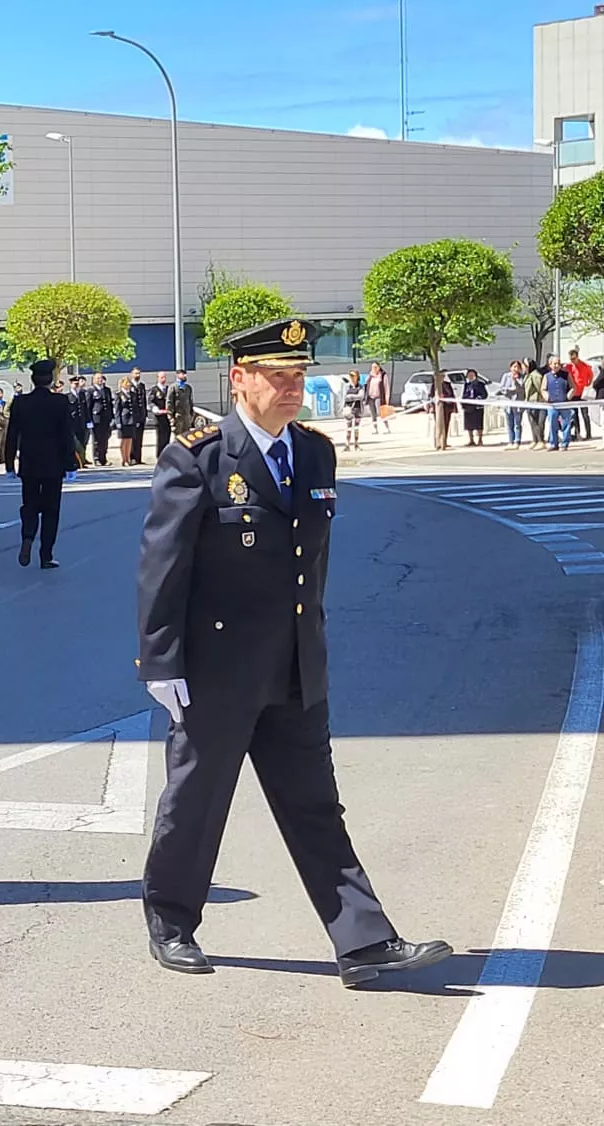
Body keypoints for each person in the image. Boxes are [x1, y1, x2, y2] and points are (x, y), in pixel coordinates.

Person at [137, 317, 450, 986]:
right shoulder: (197, 459)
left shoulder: (313, 453)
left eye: (299, 375)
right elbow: (163, 569)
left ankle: (364, 943)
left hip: (295, 666)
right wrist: (160, 662)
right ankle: (171, 921)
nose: (290, 388)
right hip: (217, 671)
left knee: (314, 804)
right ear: (241, 378)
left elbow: (313, 565)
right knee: (196, 801)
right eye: (276, 376)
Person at [6, 359, 79, 570]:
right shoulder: (60, 402)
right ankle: (46, 554)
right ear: (51, 381)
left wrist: (10, 463)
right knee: (51, 510)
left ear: (33, 380)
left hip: (29, 463)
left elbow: (12, 435)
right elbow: (66, 435)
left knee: (29, 504)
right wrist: (70, 464)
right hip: (53, 464)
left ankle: (28, 536)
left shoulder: (21, 402)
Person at [496, 361, 524, 448]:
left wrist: (515, 381)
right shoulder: (506, 376)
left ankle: (517, 441)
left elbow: (521, 389)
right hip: (508, 402)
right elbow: (502, 388)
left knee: (517, 423)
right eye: (514, 367)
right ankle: (510, 441)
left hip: (518, 403)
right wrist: (510, 390)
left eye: (517, 367)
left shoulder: (521, 377)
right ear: (510, 367)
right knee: (509, 423)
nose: (515, 369)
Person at [89, 373, 115, 466]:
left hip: (106, 418)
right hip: (96, 418)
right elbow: (89, 406)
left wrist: (112, 417)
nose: (100, 380)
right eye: (98, 378)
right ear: (94, 380)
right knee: (97, 439)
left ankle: (103, 458)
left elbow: (110, 405)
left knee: (105, 439)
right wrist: (89, 420)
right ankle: (97, 458)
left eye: (101, 378)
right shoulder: (91, 391)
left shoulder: (107, 390)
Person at [569, 347, 594, 441]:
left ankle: (588, 433)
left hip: (582, 393)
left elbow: (591, 375)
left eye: (574, 359)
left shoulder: (584, 366)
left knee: (585, 414)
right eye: (571, 359)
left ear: (577, 357)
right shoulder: (569, 367)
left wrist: (588, 384)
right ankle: (577, 433)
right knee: (574, 415)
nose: (572, 361)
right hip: (574, 394)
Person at [166, 372, 196, 450]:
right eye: (183, 374)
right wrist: (171, 417)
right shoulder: (173, 387)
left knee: (187, 437)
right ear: (178, 375)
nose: (185, 376)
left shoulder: (188, 388)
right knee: (178, 438)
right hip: (177, 417)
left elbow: (190, 402)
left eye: (185, 374)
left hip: (187, 417)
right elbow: (169, 403)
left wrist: (191, 415)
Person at [548, 362, 574, 451]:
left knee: (566, 423)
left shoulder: (566, 375)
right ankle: (553, 443)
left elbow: (573, 387)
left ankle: (565, 443)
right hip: (552, 404)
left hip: (564, 403)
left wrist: (569, 396)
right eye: (554, 364)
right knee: (552, 423)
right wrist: (547, 397)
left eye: (557, 364)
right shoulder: (547, 376)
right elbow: (543, 388)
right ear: (550, 365)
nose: (556, 366)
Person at [66, 375, 91, 468]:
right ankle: (76, 462)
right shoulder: (68, 396)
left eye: (77, 384)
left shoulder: (81, 395)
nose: (76, 385)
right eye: (74, 384)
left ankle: (82, 461)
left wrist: (88, 421)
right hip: (73, 423)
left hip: (82, 422)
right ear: (71, 384)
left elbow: (85, 409)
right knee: (75, 444)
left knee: (83, 442)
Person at [115, 376, 140, 467]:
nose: (128, 384)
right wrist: (118, 422)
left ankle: (128, 458)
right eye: (126, 383)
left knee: (129, 440)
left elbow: (135, 407)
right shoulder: (119, 394)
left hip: (131, 420)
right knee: (123, 441)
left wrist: (136, 419)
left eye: (129, 383)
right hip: (123, 420)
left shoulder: (132, 394)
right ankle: (123, 459)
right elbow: (117, 409)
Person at [127, 369, 151, 464]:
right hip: (134, 416)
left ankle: (138, 457)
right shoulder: (130, 385)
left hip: (141, 416)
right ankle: (132, 457)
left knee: (140, 438)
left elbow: (143, 401)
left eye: (139, 373)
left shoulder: (142, 386)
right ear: (132, 374)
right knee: (133, 438)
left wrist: (145, 415)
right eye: (136, 373)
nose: (138, 375)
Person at [461, 368, 488, 447]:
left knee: (478, 423)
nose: (470, 376)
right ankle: (471, 440)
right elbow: (464, 394)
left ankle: (480, 439)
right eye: (469, 375)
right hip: (468, 407)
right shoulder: (466, 385)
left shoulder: (480, 384)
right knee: (469, 424)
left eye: (472, 375)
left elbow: (484, 394)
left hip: (477, 407)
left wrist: (478, 399)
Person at [525, 360, 549, 449]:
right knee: (532, 422)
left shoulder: (535, 375)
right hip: (529, 402)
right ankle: (534, 440)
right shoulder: (527, 375)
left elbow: (540, 388)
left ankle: (540, 440)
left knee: (539, 422)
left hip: (537, 401)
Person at [341, 370, 365, 450]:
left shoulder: (360, 387)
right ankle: (347, 444)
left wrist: (351, 396)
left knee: (356, 427)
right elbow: (344, 397)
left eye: (353, 376)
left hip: (357, 408)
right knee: (348, 427)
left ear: (357, 377)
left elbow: (361, 396)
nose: (352, 378)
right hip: (348, 409)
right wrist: (354, 396)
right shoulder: (347, 386)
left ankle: (356, 444)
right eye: (351, 376)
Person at [432, 370, 455, 451]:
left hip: (447, 408)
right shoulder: (435, 385)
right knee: (438, 425)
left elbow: (452, 395)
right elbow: (431, 396)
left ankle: (444, 441)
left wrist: (453, 405)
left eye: (443, 376)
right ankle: (437, 442)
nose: (442, 377)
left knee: (446, 424)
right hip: (439, 408)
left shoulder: (447, 384)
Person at [366, 362, 391, 432]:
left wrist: (387, 399)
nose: (374, 368)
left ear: (379, 367)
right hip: (371, 397)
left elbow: (386, 388)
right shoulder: (370, 376)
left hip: (379, 397)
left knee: (381, 413)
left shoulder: (383, 375)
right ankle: (375, 428)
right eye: (372, 367)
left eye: (375, 367)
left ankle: (386, 427)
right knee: (373, 414)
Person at [153, 373, 175, 448]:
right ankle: (159, 456)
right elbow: (151, 402)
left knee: (167, 437)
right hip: (159, 417)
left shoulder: (168, 389)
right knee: (161, 438)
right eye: (161, 377)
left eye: (164, 377)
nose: (163, 379)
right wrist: (155, 409)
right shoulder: (154, 389)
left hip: (167, 417)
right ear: (158, 378)